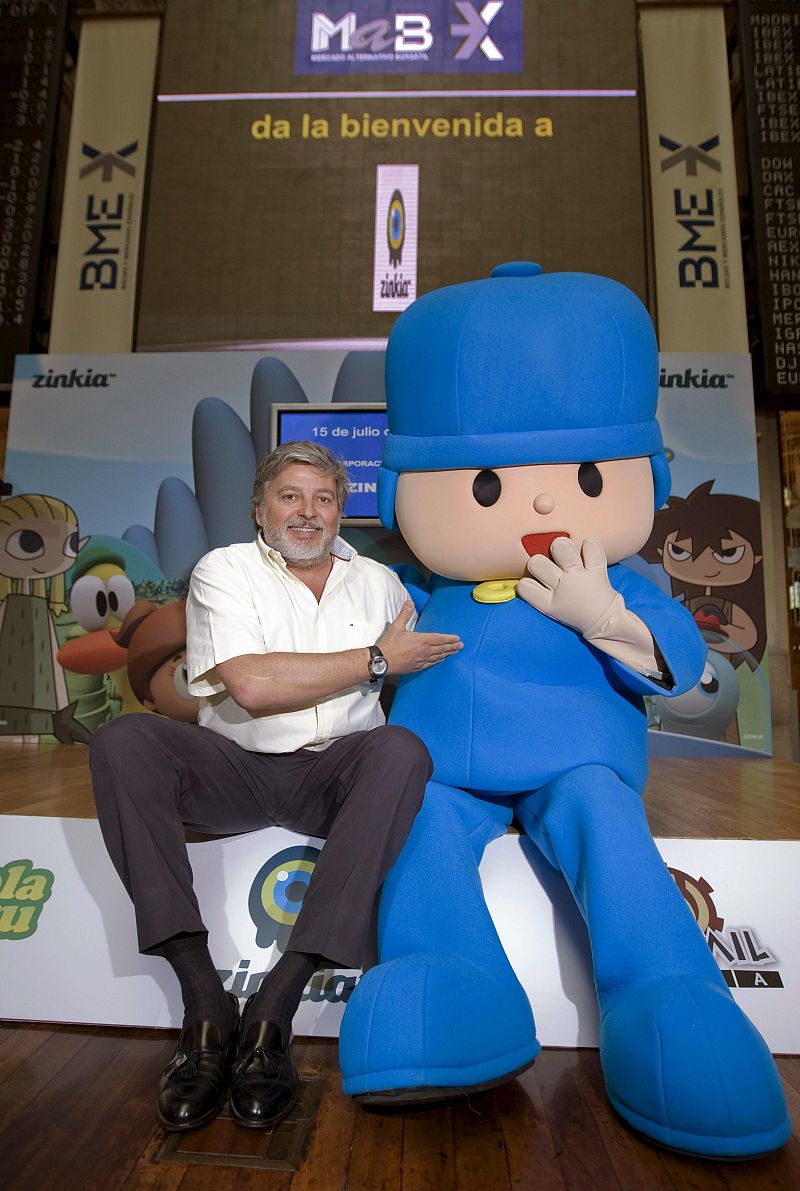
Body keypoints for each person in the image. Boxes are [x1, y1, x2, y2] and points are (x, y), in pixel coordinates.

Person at [89, 440, 462, 1132]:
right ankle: (204, 1002)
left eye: (323, 498)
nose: (307, 512)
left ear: (340, 511)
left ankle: (274, 1008)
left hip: (334, 774)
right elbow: (253, 685)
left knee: (402, 749)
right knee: (124, 740)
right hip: (235, 767)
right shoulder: (223, 569)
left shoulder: (381, 583)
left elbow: (419, 674)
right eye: (289, 496)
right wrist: (376, 657)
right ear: (259, 510)